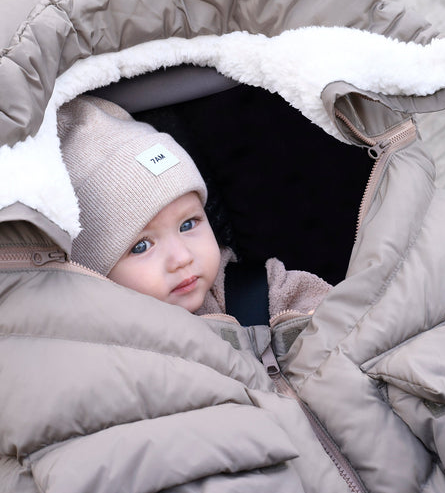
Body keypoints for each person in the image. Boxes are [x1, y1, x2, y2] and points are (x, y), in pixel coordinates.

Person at [57, 94, 332, 322]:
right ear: (93, 273)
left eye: (188, 224)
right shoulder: (112, 361)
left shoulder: (268, 293)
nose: (182, 258)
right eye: (141, 246)